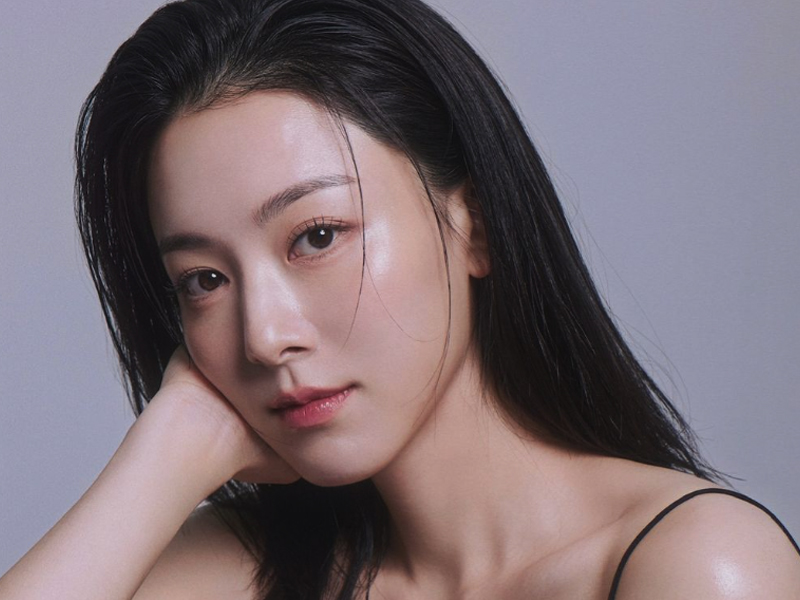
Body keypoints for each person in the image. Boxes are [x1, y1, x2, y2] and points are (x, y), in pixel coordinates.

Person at [1, 0, 798, 598]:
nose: (264, 336)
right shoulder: (237, 571)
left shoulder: (692, 566)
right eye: (205, 280)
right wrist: (167, 451)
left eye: (317, 236)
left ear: (475, 223)